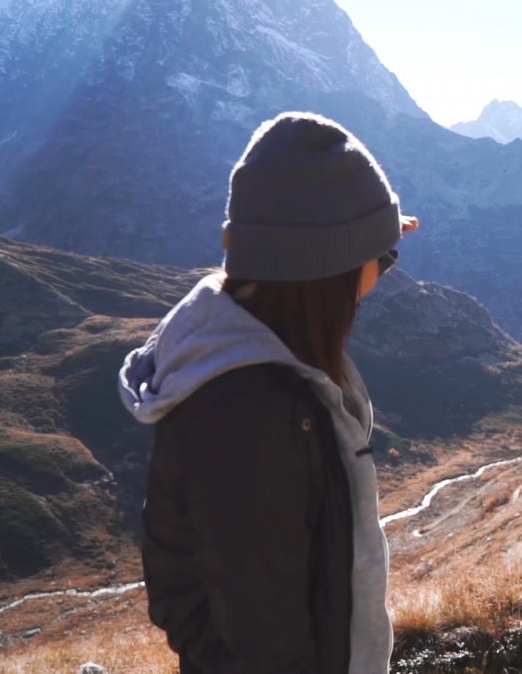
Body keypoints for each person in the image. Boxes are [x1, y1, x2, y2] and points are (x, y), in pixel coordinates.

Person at [117, 111, 417, 673]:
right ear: (323, 275)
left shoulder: (246, 368)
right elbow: (268, 645)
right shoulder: (251, 422)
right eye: (383, 261)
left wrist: (371, 234)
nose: (381, 276)